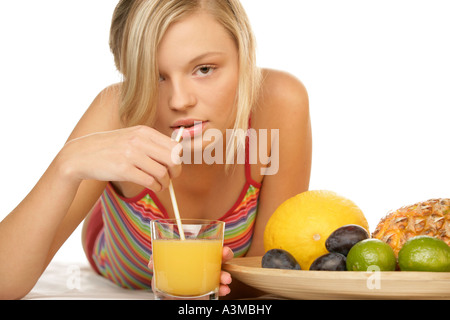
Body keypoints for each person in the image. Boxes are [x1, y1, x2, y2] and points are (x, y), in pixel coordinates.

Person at [0, 0, 311, 300]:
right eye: (154, 76)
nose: (179, 101)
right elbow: (4, 283)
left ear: (245, 55)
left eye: (204, 69)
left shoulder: (281, 102)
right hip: (112, 243)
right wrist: (65, 165)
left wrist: (212, 286)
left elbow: (270, 269)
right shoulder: (118, 111)